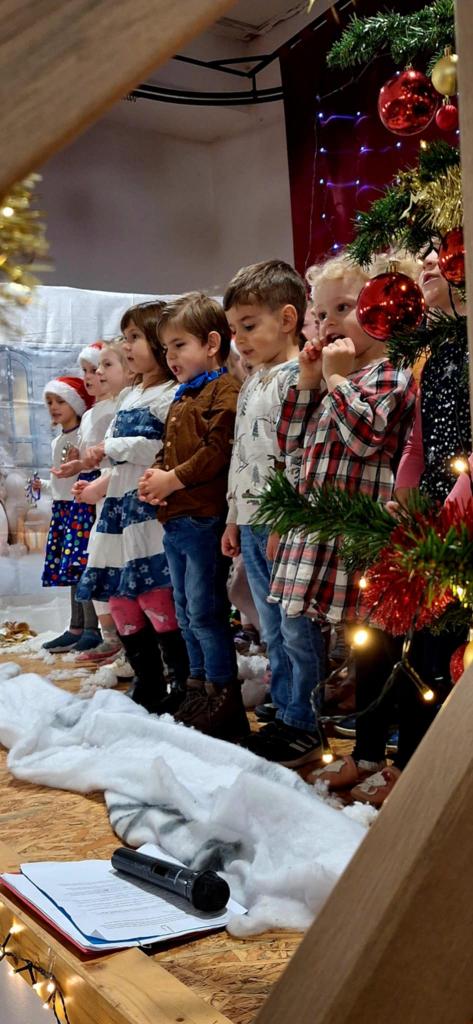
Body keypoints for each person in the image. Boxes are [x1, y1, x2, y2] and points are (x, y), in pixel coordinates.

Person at [221, 259, 326, 768]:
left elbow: (299, 455)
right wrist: (234, 517)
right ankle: (284, 711)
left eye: (249, 326)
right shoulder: (253, 381)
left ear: (287, 319)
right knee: (270, 624)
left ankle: (305, 723)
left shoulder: (298, 378)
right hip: (253, 522)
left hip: (286, 523)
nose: (239, 339)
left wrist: (286, 521)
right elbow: (243, 456)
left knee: (295, 626)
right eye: (234, 329)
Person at [137, 292, 247, 741]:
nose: (171, 356)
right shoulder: (184, 395)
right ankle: (197, 688)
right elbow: (171, 448)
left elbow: (216, 451)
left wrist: (173, 479)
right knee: (184, 611)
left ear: (212, 343)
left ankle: (224, 697)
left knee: (205, 610)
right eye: (166, 348)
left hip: (203, 518)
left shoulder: (225, 390)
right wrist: (155, 475)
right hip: (176, 520)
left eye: (179, 345)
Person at [75, 302, 189, 713]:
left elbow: (159, 446)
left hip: (147, 511)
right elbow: (119, 461)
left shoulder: (172, 394)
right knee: (120, 597)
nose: (127, 346)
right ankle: (147, 680)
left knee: (155, 596)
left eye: (135, 337)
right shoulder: (129, 396)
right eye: (125, 338)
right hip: (117, 512)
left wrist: (110, 447)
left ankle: (180, 683)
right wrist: (97, 470)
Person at [39, 376, 98, 653]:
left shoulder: (83, 435)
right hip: (63, 510)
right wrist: (44, 486)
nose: (54, 407)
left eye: (60, 401)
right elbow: (60, 483)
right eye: (50, 402)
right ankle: (76, 627)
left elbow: (90, 470)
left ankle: (92, 628)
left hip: (80, 506)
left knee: (83, 566)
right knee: (73, 569)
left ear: (75, 403)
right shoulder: (57, 441)